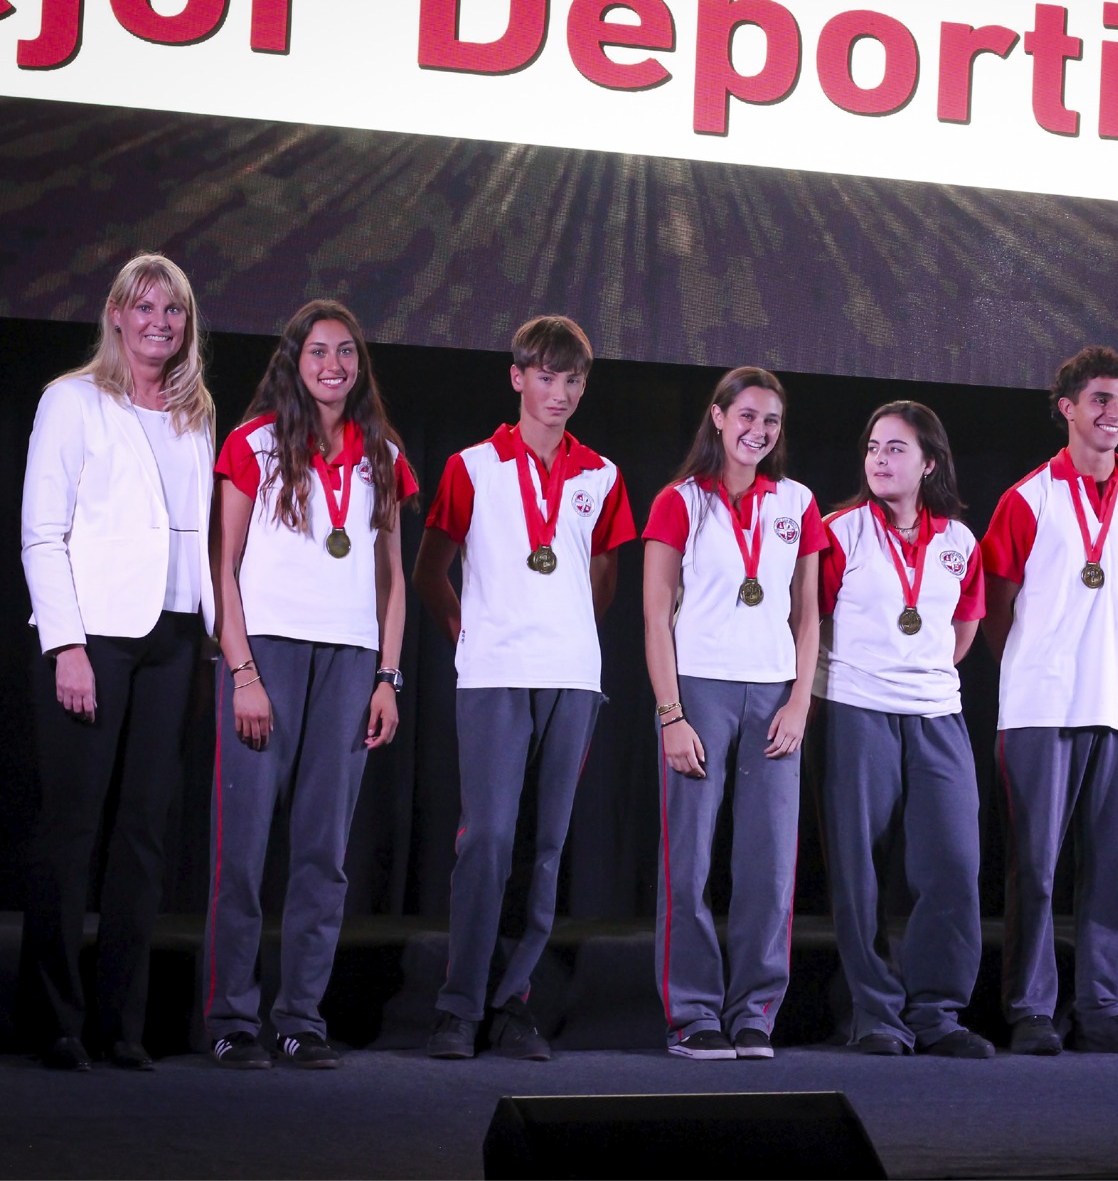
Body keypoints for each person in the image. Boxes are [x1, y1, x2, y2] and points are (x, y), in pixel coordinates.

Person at [416, 316, 635, 1061]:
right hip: (493, 675)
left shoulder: (602, 475)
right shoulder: (471, 467)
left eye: (572, 380)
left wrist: (564, 634)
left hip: (571, 678)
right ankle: (458, 1006)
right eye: (546, 377)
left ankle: (512, 1003)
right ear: (517, 378)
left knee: (545, 848)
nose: (559, 392)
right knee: (487, 839)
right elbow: (430, 570)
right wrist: (468, 634)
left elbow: (603, 577)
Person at [206, 300, 417, 1069]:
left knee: (324, 853)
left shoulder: (382, 452)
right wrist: (243, 672)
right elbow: (222, 567)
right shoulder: (254, 443)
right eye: (320, 351)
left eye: (347, 352)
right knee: (242, 849)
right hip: (267, 656)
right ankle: (231, 1019)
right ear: (294, 359)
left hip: (351, 662)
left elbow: (391, 578)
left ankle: (300, 1017)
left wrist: (387, 676)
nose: (335, 365)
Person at [19, 253, 217, 1072]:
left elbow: (200, 534)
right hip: (93, 638)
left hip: (175, 638)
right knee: (72, 830)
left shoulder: (195, 413)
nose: (159, 323)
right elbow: (42, 533)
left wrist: (210, 641)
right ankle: (55, 1021)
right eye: (145, 307)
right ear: (116, 314)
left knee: (143, 834)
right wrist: (66, 645)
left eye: (173, 311)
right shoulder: (71, 400)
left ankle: (120, 1023)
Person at [981, 347, 1118, 1056]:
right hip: (1041, 704)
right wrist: (1036, 666)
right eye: (1100, 399)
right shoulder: (1027, 498)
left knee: (1117, 866)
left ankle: (1102, 1005)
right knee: (1035, 865)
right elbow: (996, 605)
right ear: (1066, 407)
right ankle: (1031, 1008)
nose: (1113, 414)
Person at [643, 366, 825, 1060]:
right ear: (718, 418)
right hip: (699, 692)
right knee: (688, 863)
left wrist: (800, 703)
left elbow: (808, 617)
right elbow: (655, 617)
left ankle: (755, 1011)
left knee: (769, 866)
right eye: (746, 415)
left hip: (775, 697)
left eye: (771, 420)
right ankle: (691, 1013)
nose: (758, 430)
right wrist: (671, 714)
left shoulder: (797, 502)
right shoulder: (680, 501)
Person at [813, 401, 991, 1058]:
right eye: (873, 447)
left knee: (953, 863)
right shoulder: (839, 532)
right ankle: (876, 1011)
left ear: (929, 463)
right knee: (859, 868)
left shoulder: (958, 543)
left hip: (937, 713)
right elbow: (807, 624)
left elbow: (962, 631)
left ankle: (937, 1010)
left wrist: (920, 672)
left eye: (895, 448)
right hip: (855, 707)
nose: (880, 459)